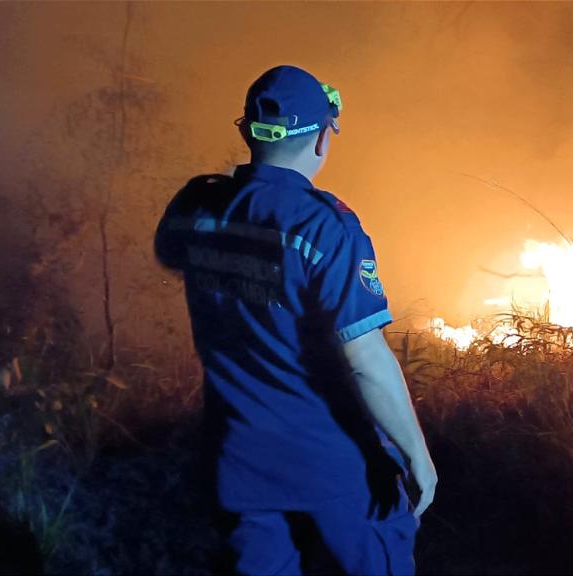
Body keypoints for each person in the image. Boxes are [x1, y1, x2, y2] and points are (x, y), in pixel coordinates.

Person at [154, 64, 437, 575]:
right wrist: (417, 453)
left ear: (246, 131)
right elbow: (366, 358)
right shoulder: (325, 225)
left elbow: (170, 251)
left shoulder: (196, 206)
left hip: (237, 461)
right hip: (331, 462)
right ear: (323, 140)